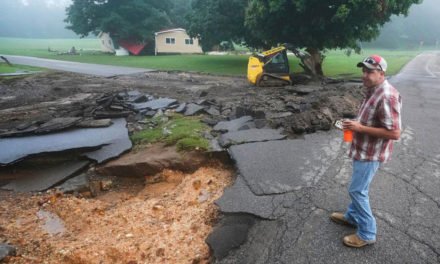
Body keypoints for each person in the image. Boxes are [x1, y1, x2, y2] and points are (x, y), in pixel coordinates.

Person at [330, 55, 402, 248]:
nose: (365, 75)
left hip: (371, 154)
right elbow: (372, 120)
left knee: (357, 190)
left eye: (370, 71)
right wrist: (353, 125)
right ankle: (352, 217)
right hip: (362, 150)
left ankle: (367, 233)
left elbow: (395, 132)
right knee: (359, 188)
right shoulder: (372, 90)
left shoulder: (387, 96)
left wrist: (359, 128)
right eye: (364, 70)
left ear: (381, 73)